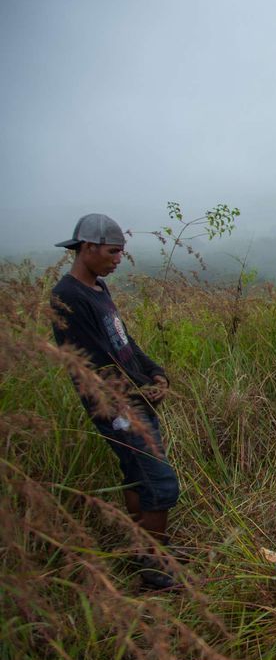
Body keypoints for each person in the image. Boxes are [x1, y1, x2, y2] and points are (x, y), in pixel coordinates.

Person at [49, 214, 181, 589]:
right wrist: (137, 393)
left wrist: (155, 372)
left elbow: (123, 342)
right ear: (87, 248)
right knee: (161, 483)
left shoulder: (97, 289)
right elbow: (90, 361)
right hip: (116, 406)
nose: (119, 258)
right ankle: (155, 567)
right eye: (113, 251)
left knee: (136, 476)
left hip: (132, 398)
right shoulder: (68, 297)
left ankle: (147, 550)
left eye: (122, 252)